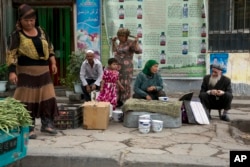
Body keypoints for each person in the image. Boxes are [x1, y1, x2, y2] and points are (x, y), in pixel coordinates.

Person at [6, 4, 58, 139]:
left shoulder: (42, 31)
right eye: (26, 20)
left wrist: (52, 62)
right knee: (26, 99)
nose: (29, 23)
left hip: (44, 71)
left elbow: (50, 48)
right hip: (26, 72)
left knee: (48, 96)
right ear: (20, 21)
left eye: (32, 20)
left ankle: (47, 124)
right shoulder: (16, 35)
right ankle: (28, 127)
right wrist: (12, 72)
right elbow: (11, 54)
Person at [112, 28, 142, 106]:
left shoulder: (130, 42)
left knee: (125, 83)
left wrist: (136, 42)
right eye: (119, 36)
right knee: (117, 82)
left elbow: (139, 51)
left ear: (126, 36)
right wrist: (113, 42)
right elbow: (115, 51)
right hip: (117, 66)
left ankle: (125, 100)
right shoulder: (119, 43)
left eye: (122, 36)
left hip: (126, 67)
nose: (120, 38)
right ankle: (117, 100)